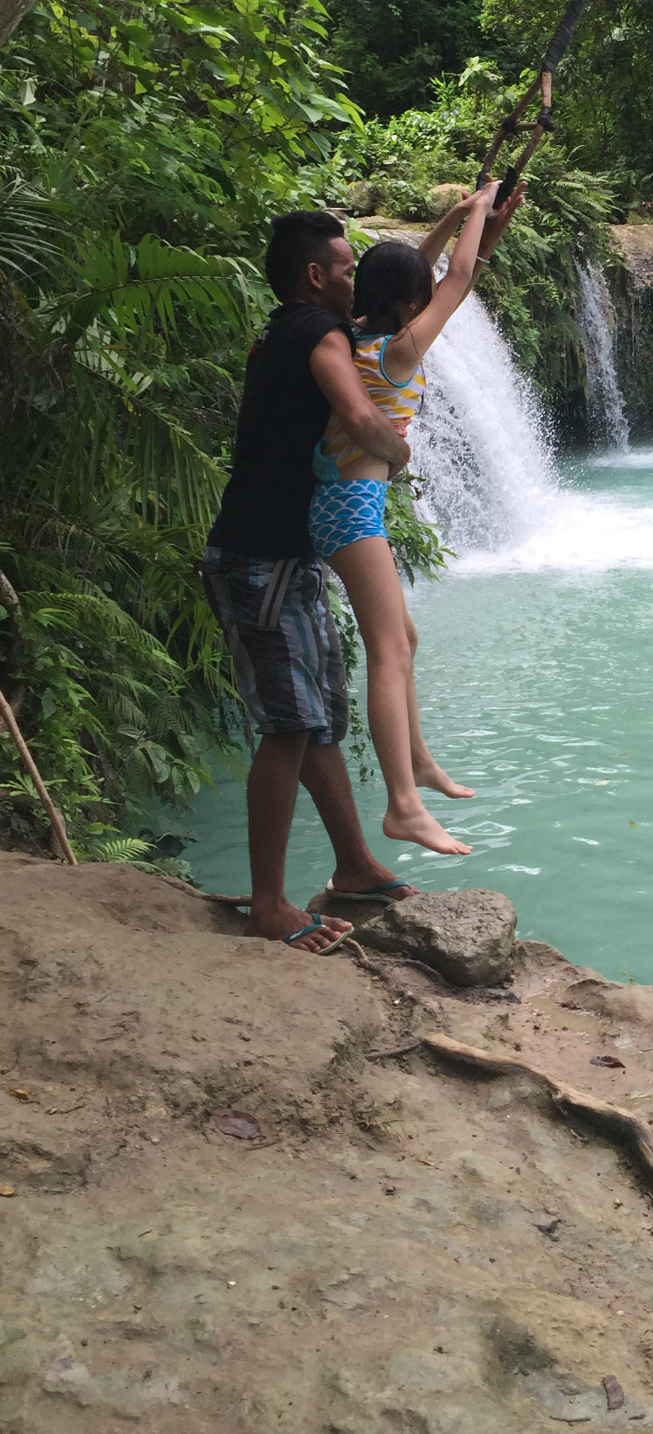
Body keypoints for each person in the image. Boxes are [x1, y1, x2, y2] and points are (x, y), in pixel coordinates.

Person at [201, 211, 425, 953]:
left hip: (285, 558)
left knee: (320, 715)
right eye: (346, 266)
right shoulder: (319, 336)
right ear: (315, 276)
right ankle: (269, 905)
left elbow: (407, 292)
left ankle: (356, 865)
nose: (356, 279)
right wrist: (396, 454)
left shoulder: (284, 330)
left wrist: (468, 228)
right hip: (257, 559)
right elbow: (361, 417)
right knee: (290, 724)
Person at [308, 181, 521, 856]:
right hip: (348, 507)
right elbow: (454, 277)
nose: (426, 303)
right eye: (417, 298)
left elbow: (408, 272)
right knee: (389, 648)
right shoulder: (398, 353)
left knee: (406, 637)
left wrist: (452, 218)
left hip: (343, 500)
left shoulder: (353, 334)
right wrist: (480, 212)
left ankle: (420, 764)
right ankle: (402, 805)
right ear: (408, 305)